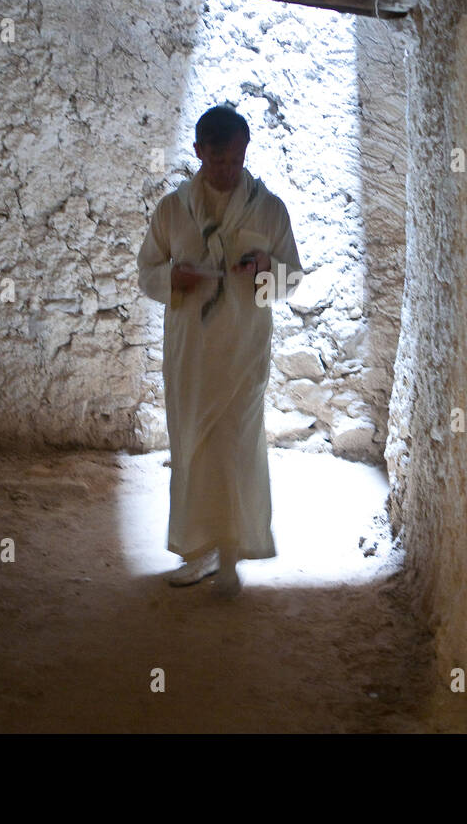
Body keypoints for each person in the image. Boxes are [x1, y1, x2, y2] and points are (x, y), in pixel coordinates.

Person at [136, 105, 304, 597]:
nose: (228, 170)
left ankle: (230, 557)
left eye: (235, 160)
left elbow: (291, 278)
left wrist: (264, 269)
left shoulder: (267, 209)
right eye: (217, 160)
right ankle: (196, 552)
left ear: (245, 152)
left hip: (243, 353)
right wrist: (173, 278)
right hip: (191, 353)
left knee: (235, 448)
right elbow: (147, 271)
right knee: (193, 446)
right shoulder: (173, 210)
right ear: (198, 153)